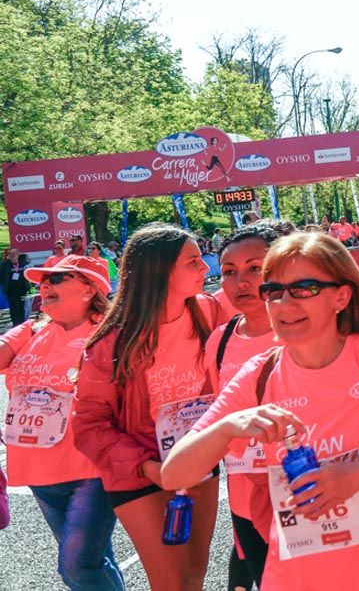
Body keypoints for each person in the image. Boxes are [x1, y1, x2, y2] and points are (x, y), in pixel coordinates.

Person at [162, 232, 359, 591]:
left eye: (304, 289)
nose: (284, 304)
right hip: (298, 577)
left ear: (341, 296)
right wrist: (229, 427)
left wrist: (358, 475)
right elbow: (174, 474)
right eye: (273, 292)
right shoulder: (258, 375)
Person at [72, 223, 223, 591]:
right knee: (170, 583)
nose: (205, 266)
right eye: (192, 261)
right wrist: (151, 468)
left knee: (193, 576)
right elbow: (88, 425)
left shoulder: (208, 311)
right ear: (160, 270)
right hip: (140, 471)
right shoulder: (112, 342)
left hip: (198, 459)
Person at [0, 255, 124, 590]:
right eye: (43, 280)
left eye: (57, 279)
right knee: (94, 560)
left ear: (88, 289)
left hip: (90, 468)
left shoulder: (109, 333)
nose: (45, 285)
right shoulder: (32, 329)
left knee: (78, 566)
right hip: (37, 468)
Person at [204, 224, 288, 591]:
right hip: (245, 496)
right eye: (228, 272)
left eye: (255, 268)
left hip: (309, 488)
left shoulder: (308, 330)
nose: (241, 281)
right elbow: (216, 417)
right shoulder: (218, 342)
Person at [2, 249, 29, 326]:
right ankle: (16, 324)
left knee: (22, 307)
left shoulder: (23, 263)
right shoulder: (5, 264)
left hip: (22, 289)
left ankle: (23, 323)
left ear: (18, 254)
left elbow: (27, 267)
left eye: (14, 253)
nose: (12, 255)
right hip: (10, 290)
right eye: (10, 253)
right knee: (14, 308)